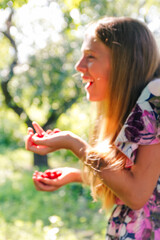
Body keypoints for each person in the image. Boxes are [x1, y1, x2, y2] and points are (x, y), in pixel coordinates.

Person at [25, 17, 160, 239]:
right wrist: (75, 175)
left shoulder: (155, 94)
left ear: (123, 62)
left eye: (90, 57)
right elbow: (144, 184)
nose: (78, 66)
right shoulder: (133, 108)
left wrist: (73, 143)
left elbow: (137, 195)